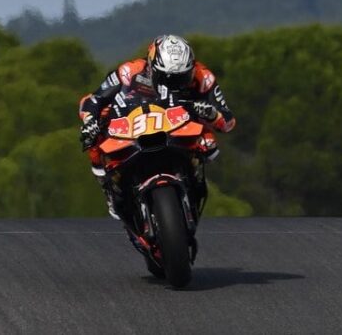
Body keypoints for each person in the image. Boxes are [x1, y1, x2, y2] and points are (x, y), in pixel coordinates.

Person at [78, 34, 236, 218]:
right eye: (168, 78)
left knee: (210, 146)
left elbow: (228, 121)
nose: (174, 85)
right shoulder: (129, 71)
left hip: (182, 125)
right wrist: (90, 121)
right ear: (152, 67)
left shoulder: (204, 77)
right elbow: (92, 100)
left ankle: (193, 177)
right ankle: (108, 187)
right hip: (137, 124)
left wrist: (211, 113)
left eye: (182, 77)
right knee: (94, 133)